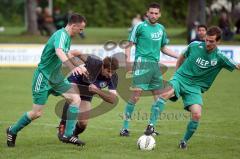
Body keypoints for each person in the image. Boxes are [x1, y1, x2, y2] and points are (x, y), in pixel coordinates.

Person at [143, 26, 240, 149]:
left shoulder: (220, 57)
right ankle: (151, 125)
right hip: (181, 78)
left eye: (211, 41)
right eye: (206, 40)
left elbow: (237, 66)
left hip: (195, 87)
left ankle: (184, 141)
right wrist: (177, 73)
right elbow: (182, 56)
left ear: (218, 42)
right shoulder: (194, 45)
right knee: (164, 94)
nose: (208, 43)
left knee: (197, 114)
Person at [6, 13, 88, 147]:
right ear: (73, 26)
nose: (81, 32)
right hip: (43, 78)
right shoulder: (61, 35)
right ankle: (12, 130)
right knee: (36, 113)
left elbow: (66, 53)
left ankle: (68, 135)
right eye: (81, 29)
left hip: (56, 78)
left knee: (75, 99)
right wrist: (71, 67)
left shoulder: (67, 37)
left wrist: (79, 66)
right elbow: (59, 52)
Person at [119, 2, 178, 136]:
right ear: (147, 13)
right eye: (151, 12)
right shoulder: (139, 26)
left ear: (160, 14)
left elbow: (163, 48)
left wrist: (180, 56)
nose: (153, 15)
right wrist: (127, 61)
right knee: (135, 96)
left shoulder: (161, 28)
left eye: (156, 13)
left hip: (155, 66)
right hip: (142, 64)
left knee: (159, 97)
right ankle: (125, 128)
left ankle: (151, 127)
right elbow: (129, 45)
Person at [57, 55, 119, 140]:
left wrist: (97, 91)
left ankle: (72, 136)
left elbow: (112, 99)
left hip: (88, 93)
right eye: (108, 71)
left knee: (83, 123)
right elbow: (74, 52)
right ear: (102, 67)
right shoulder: (94, 63)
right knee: (74, 99)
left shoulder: (113, 77)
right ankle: (63, 125)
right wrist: (78, 66)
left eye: (113, 72)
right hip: (75, 82)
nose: (110, 74)